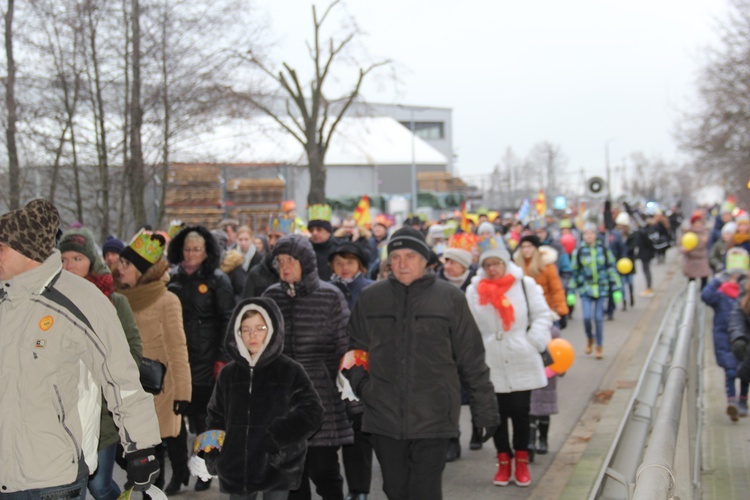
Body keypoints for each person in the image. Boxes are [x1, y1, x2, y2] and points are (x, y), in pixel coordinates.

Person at [0, 199, 161, 497]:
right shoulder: (3, 298)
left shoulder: (79, 299)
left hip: (50, 477)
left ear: (24, 250)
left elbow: (120, 376)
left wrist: (140, 447)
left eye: (0, 248)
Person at [344, 227, 499, 500]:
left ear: (425, 260)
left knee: (424, 491)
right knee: (395, 490)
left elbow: (471, 357)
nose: (402, 264)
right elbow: (354, 350)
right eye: (396, 256)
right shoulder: (371, 298)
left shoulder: (450, 298)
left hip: (434, 415)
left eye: (411, 256)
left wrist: (485, 409)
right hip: (384, 416)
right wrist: (364, 387)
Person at [262, 234, 353, 500]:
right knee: (291, 476)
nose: (285, 266)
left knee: (324, 469)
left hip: (321, 395)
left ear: (307, 262)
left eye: (291, 260)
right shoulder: (270, 296)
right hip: (281, 400)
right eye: (279, 261)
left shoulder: (329, 296)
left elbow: (343, 349)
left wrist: (353, 399)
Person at [205, 297, 324, 500]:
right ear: (237, 333)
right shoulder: (228, 374)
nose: (253, 335)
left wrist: (279, 436)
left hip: (276, 464)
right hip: (236, 467)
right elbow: (215, 415)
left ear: (272, 329)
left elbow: (313, 412)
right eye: (246, 329)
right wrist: (214, 456)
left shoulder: (290, 370)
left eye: (260, 328)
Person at [59, 228, 144, 500]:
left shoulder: (115, 302)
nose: (69, 266)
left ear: (91, 262)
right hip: (64, 411)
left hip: (103, 411)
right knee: (72, 488)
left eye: (76, 258)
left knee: (99, 484)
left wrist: (107, 381)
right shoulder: (49, 302)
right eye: (63, 259)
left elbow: (133, 351)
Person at [465, 245, 552, 487]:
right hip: (490, 358)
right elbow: (468, 324)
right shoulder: (474, 291)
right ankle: (503, 461)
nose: (492, 269)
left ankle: (522, 460)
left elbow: (542, 315)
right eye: (487, 265)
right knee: (496, 414)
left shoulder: (524, 284)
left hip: (520, 355)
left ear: (505, 264)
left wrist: (533, 341)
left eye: (497, 264)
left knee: (520, 411)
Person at [115, 229, 193, 494]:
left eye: (126, 264)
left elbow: (178, 349)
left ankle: (172, 478)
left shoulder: (167, 300)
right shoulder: (118, 298)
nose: (119, 269)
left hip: (159, 389)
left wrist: (183, 393)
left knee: (153, 456)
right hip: (127, 387)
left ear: (141, 270)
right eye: (120, 263)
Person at [165, 225, 235, 493]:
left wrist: (222, 356)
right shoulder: (172, 278)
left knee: (207, 420)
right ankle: (179, 470)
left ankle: (205, 469)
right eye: (187, 249)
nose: (191, 254)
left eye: (197, 249)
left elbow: (228, 318)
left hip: (208, 360)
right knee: (175, 420)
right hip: (178, 359)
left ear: (207, 252)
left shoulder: (219, 280)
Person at [327, 242, 375, 500]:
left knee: (358, 432)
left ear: (360, 265)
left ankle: (359, 489)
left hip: (360, 366)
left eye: (350, 262)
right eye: (339, 263)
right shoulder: (324, 290)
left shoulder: (371, 290)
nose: (345, 268)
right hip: (328, 367)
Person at [436, 246, 479, 457]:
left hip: (472, 345)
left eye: (453, 262)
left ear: (464, 265)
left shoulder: (478, 284)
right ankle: (453, 437)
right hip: (445, 347)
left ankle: (479, 427)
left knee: (475, 388)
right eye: (446, 261)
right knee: (448, 395)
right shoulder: (435, 283)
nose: (447, 266)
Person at [703, 247, 750, 420]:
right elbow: (706, 296)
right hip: (725, 337)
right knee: (730, 371)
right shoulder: (721, 294)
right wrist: (719, 279)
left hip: (744, 338)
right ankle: (732, 402)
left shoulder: (745, 290)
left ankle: (743, 400)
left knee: (745, 371)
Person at [570, 223, 623, 359]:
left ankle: (599, 345)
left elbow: (611, 268)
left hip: (601, 289)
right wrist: (571, 292)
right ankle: (590, 338)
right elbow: (574, 273)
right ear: (583, 236)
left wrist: (617, 289)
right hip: (586, 289)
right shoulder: (579, 251)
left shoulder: (603, 250)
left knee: (598, 318)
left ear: (595, 235)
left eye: (592, 233)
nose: (589, 236)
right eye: (586, 233)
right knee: (587, 317)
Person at [681, 212, 713, 289]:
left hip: (702, 259)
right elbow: (681, 244)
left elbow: (711, 245)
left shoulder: (706, 233)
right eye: (696, 223)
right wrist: (685, 249)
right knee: (691, 281)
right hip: (691, 259)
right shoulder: (688, 233)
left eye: (700, 223)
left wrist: (706, 241)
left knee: (704, 278)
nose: (698, 225)